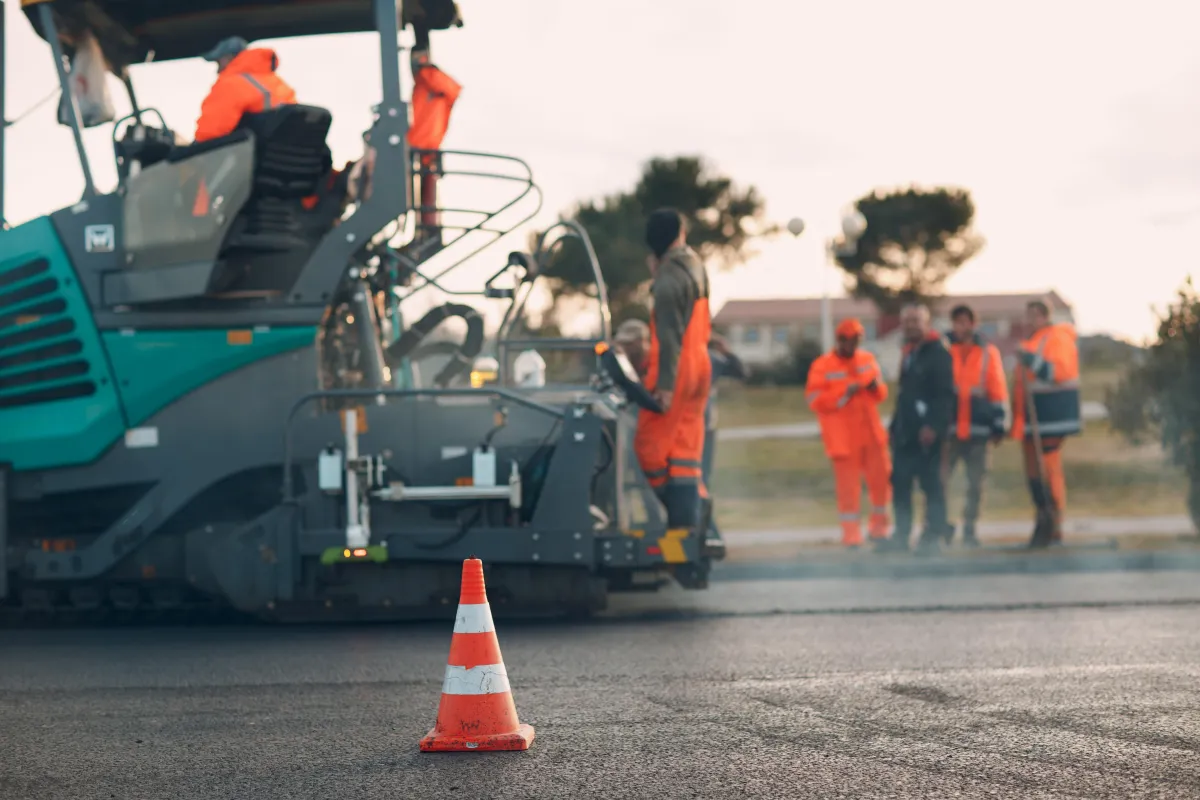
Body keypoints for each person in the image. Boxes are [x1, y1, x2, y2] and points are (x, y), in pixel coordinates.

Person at [634, 209, 712, 528]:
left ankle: (683, 514)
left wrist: (664, 386)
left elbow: (668, 337)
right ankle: (694, 517)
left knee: (649, 446)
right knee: (684, 452)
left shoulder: (667, 278)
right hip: (700, 367)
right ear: (677, 235)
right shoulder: (695, 265)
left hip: (676, 369)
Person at [876, 304, 955, 555]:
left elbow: (945, 396)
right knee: (900, 484)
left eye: (916, 321)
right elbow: (905, 395)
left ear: (927, 323)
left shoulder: (938, 353)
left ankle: (933, 535)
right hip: (905, 434)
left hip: (927, 434)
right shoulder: (909, 352)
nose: (911, 325)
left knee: (931, 486)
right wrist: (894, 426)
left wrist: (934, 425)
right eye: (907, 321)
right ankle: (902, 535)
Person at [806, 318, 891, 548]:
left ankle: (879, 529)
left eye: (856, 340)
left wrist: (874, 387)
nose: (852, 345)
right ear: (839, 340)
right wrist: (844, 392)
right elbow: (814, 400)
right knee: (848, 489)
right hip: (843, 438)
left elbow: (881, 393)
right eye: (848, 341)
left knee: (881, 482)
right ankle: (851, 535)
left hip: (871, 433)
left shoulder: (867, 360)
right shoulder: (822, 365)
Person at [1011, 299, 1081, 548]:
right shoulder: (1034, 341)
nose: (1027, 321)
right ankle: (1043, 520)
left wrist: (1030, 359)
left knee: (1049, 472)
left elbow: (1058, 373)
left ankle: (1055, 527)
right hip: (1034, 421)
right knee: (1034, 473)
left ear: (1043, 316)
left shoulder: (1056, 337)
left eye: (1032, 316)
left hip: (1051, 418)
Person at [943, 304, 1009, 547]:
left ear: (973, 323)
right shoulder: (943, 350)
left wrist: (999, 422)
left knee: (975, 484)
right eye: (956, 321)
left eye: (965, 321)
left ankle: (969, 529)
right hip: (949, 430)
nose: (961, 326)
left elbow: (997, 388)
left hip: (978, 430)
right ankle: (942, 527)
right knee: (940, 482)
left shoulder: (987, 352)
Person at [194, 37, 297, 143]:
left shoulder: (231, 83)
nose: (218, 70)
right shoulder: (277, 83)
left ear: (228, 58)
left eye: (219, 63)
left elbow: (209, 133)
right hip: (280, 154)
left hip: (251, 155)